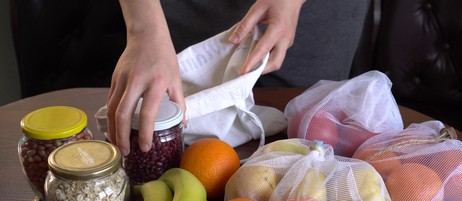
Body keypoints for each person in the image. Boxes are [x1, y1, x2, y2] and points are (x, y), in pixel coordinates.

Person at [106, 0, 371, 157]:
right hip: (170, 16)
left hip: (314, 18)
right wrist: (143, 27)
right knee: (164, 120)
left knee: (308, 134)